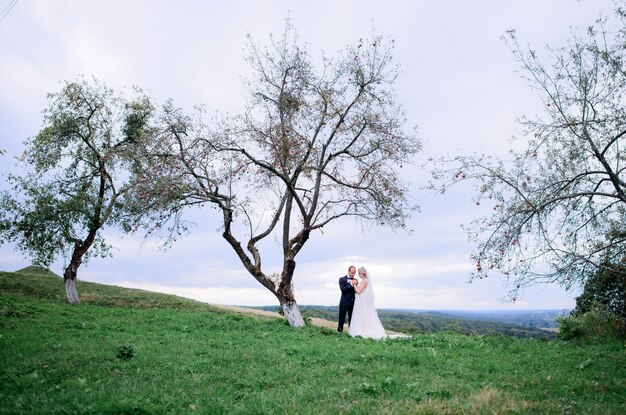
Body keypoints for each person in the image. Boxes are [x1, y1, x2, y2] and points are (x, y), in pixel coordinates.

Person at [348, 266, 387, 339]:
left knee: (362, 315)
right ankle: (361, 329)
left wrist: (353, 284)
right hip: (360, 300)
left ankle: (362, 331)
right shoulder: (363, 280)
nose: (358, 275)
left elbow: (358, 291)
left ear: (363, 273)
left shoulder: (365, 280)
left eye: (359, 273)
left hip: (361, 300)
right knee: (360, 315)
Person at [337, 265, 357, 332]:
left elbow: (356, 292)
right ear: (348, 271)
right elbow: (343, 290)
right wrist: (351, 284)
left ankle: (350, 334)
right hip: (344, 303)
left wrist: (355, 285)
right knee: (341, 319)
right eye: (352, 272)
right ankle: (339, 334)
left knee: (351, 320)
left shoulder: (355, 280)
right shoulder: (342, 279)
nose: (353, 274)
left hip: (352, 303)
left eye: (354, 273)